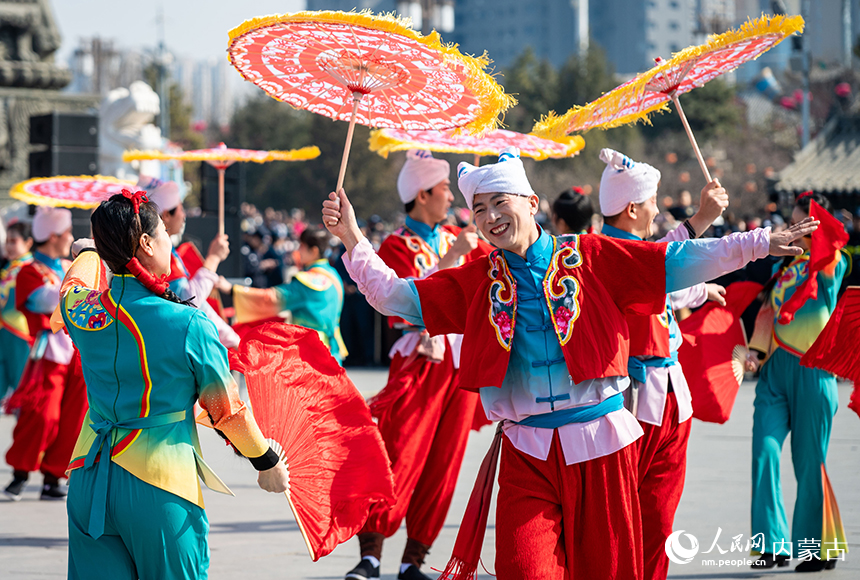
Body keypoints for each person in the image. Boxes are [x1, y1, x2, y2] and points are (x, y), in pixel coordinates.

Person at [322, 146, 818, 580]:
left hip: (600, 443)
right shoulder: (476, 280)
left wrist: (754, 244)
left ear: (531, 204)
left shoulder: (593, 255)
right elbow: (393, 297)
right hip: (526, 452)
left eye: (500, 202)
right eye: (479, 209)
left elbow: (675, 263)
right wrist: (351, 237)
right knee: (523, 568)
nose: (490, 217)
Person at [56, 191, 288, 579]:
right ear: (146, 244)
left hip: (89, 474)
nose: (169, 240)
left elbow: (73, 283)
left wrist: (91, 253)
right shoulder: (189, 324)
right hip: (159, 483)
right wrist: (266, 462)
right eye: (164, 232)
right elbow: (226, 411)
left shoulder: (82, 310)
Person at [345, 149, 489, 580]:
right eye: (445, 190)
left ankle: (414, 560)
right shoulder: (395, 245)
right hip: (418, 363)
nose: (450, 198)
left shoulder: (460, 236)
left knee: (446, 462)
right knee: (400, 454)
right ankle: (370, 555)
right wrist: (453, 259)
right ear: (423, 194)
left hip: (458, 365)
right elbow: (407, 303)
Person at [597, 148, 728, 580]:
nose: (657, 209)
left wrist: (702, 291)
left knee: (659, 514)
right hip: (631, 397)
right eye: (652, 201)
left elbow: (668, 281)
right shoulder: (602, 253)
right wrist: (699, 222)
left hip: (671, 392)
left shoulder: (642, 252)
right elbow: (655, 267)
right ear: (633, 207)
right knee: (626, 512)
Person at [745, 191, 849, 572]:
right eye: (790, 223)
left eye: (800, 224)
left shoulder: (830, 264)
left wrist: (821, 234)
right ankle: (771, 544)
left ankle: (815, 546)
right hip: (774, 374)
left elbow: (833, 248)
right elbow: (767, 312)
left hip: (814, 371)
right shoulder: (784, 269)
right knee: (764, 453)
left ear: (816, 228)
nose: (792, 230)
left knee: (809, 462)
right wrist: (755, 351)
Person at [4, 207, 88, 501]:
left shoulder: (67, 266)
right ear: (54, 236)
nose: (70, 238)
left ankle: (55, 476)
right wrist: (80, 276)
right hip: (47, 353)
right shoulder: (29, 271)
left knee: (75, 417)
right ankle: (20, 472)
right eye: (67, 233)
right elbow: (48, 301)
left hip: (76, 352)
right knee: (42, 415)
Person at [137, 175, 240, 349]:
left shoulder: (170, 253)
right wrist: (213, 258)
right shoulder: (159, 258)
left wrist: (231, 339)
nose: (184, 215)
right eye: (180, 209)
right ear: (165, 216)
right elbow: (189, 301)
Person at [232, 227, 348, 362]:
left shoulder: (308, 280)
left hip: (311, 351)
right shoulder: (333, 275)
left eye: (302, 246)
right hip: (332, 349)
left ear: (314, 250)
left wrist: (232, 290)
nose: (298, 250)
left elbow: (272, 298)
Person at [0, 221, 34, 400]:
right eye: (8, 241)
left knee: (21, 385)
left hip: (21, 333)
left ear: (28, 242)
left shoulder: (31, 269)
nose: (9, 246)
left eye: (14, 241)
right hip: (5, 331)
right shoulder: (8, 267)